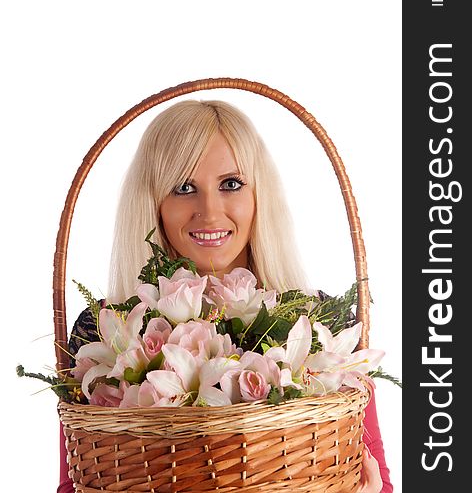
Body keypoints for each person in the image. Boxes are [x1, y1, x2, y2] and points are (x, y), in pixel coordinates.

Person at [58, 99, 392, 492]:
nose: (210, 212)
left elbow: (373, 474)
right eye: (184, 188)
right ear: (153, 203)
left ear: (258, 195)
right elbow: (75, 480)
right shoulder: (103, 330)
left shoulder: (318, 322)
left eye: (231, 184)